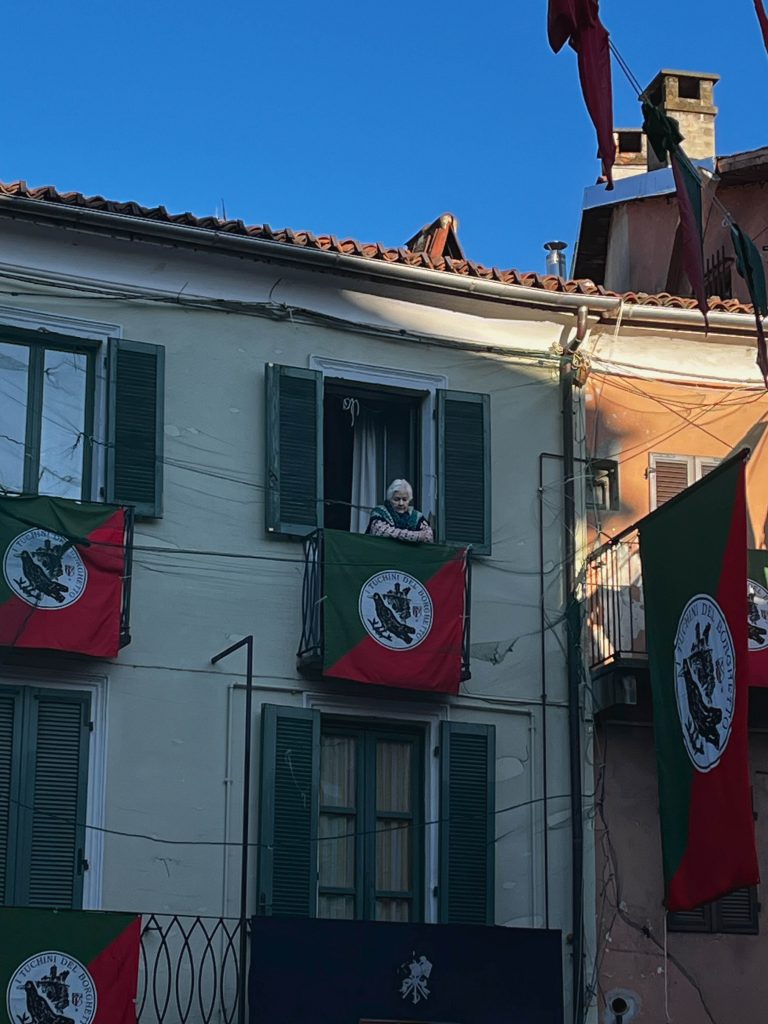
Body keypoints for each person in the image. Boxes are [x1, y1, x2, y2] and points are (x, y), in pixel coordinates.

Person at [366, 479, 433, 543]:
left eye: (404, 499)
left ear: (409, 500)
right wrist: (417, 536)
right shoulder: (379, 512)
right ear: (390, 499)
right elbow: (379, 531)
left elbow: (429, 537)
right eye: (396, 499)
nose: (401, 503)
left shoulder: (417, 516)